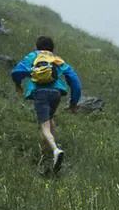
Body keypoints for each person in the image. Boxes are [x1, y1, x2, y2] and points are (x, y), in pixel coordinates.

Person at [11, 36, 82, 173]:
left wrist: (18, 83)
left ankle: (55, 151)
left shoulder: (33, 56)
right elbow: (75, 81)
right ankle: (47, 155)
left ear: (37, 46)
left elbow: (16, 72)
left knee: (44, 126)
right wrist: (73, 102)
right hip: (56, 93)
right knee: (50, 120)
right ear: (52, 48)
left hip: (40, 93)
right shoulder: (57, 59)